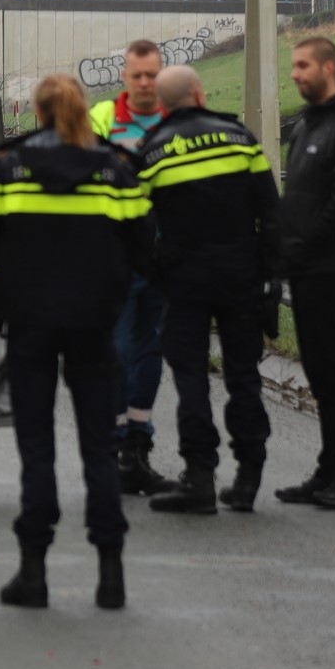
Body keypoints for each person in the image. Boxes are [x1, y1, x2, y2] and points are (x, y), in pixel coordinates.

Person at [0, 74, 154, 612]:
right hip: (95, 326)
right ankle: (110, 574)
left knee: (37, 450)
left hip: (29, 326)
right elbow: (144, 248)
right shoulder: (115, 171)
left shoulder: (9, 167)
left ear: (38, 111)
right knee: (99, 447)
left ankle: (33, 572)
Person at [136, 66, 280, 514]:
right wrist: (272, 282)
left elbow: (139, 229)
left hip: (185, 280)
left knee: (191, 378)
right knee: (243, 376)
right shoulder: (240, 139)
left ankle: (199, 478)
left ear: (162, 104)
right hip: (241, 276)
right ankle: (249, 476)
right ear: (200, 94)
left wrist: (160, 278)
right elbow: (272, 215)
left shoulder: (153, 151)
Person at [276, 35, 335, 509]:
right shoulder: (307, 125)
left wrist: (302, 243)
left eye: (302, 65)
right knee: (317, 371)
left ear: (329, 67)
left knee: (328, 373)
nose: (294, 74)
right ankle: (327, 470)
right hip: (307, 265)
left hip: (333, 267)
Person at [91, 40, 175, 497]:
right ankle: (114, 445)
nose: (145, 83)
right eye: (137, 75)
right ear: (124, 76)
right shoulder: (103, 119)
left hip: (163, 258)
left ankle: (137, 446)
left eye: (151, 75)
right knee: (117, 353)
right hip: (116, 258)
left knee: (150, 353)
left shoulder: (176, 117)